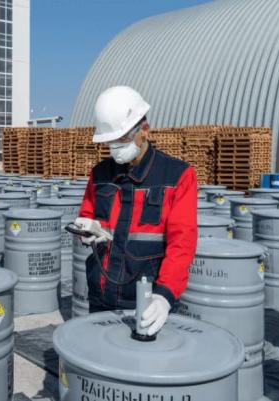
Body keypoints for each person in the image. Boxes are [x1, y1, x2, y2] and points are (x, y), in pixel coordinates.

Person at [75, 86, 198, 336]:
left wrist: (164, 295)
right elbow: (88, 214)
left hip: (146, 300)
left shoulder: (177, 176)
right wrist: (88, 232)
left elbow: (181, 243)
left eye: (121, 139)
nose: (115, 147)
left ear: (144, 130)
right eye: (110, 141)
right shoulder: (100, 174)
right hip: (101, 294)